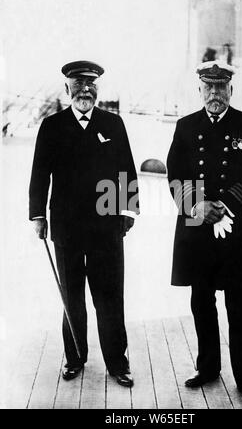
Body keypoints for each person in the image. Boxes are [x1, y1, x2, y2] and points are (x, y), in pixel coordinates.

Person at [29, 60, 139, 387]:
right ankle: (75, 357)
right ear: (67, 89)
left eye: (91, 83)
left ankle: (118, 363)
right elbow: (39, 175)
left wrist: (129, 212)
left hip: (107, 229)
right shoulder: (52, 126)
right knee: (72, 297)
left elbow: (127, 172)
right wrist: (37, 216)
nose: (85, 89)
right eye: (78, 83)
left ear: (98, 88)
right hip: (66, 229)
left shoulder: (113, 124)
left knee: (109, 298)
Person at [167, 61, 242, 403]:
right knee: (202, 303)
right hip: (197, 230)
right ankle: (208, 367)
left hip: (236, 230)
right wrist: (197, 206)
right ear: (199, 91)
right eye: (208, 87)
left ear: (230, 90)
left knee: (241, 306)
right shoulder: (185, 127)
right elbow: (175, 176)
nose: (214, 93)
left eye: (220, 88)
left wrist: (224, 206)